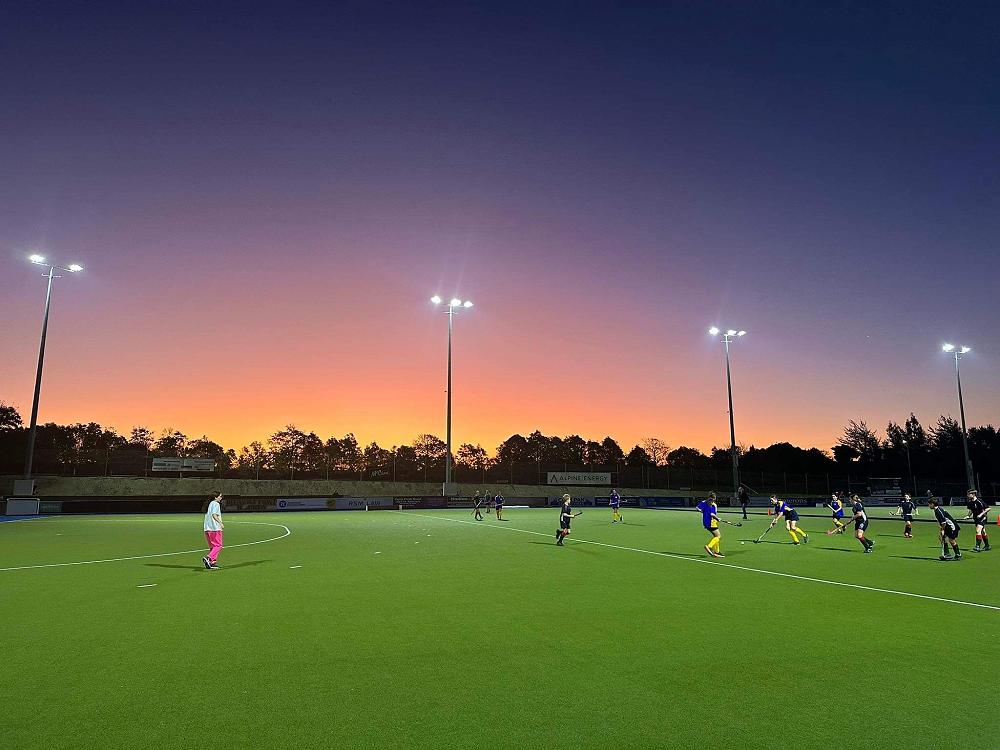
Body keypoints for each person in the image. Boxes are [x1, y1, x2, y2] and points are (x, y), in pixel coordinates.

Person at [697, 492, 724, 558]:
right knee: (718, 536)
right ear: (714, 498)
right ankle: (709, 546)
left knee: (715, 536)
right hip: (711, 523)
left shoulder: (704, 502)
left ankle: (717, 551)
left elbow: (697, 508)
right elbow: (712, 514)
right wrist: (718, 519)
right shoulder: (713, 505)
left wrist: (703, 511)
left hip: (705, 522)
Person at [202, 491, 224, 570]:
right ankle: (208, 558)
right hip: (214, 528)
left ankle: (212, 563)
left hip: (207, 528)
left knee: (213, 547)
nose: (221, 498)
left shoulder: (209, 504)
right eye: (220, 496)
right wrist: (220, 523)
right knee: (218, 545)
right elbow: (214, 515)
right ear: (215, 497)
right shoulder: (216, 504)